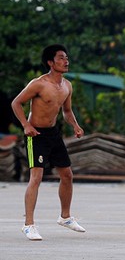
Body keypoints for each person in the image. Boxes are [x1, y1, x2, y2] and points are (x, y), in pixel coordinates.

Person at [11, 44, 86, 241]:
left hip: (53, 134)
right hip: (36, 135)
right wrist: (26, 125)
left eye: (66, 57)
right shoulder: (38, 84)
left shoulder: (67, 86)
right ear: (50, 63)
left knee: (67, 175)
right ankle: (29, 225)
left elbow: (67, 111)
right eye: (61, 58)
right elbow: (16, 103)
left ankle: (65, 217)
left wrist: (76, 127)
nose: (66, 61)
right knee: (36, 177)